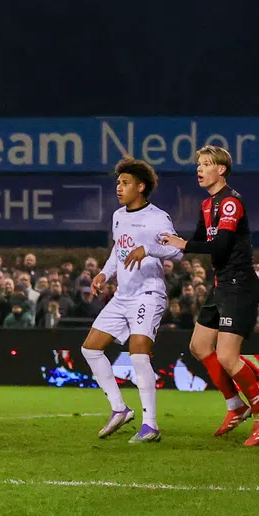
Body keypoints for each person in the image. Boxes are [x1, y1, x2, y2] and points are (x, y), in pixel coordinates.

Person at [158, 146, 259, 446]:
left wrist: (182, 244)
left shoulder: (230, 204)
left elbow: (220, 246)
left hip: (239, 286)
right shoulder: (207, 205)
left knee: (226, 355)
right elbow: (198, 241)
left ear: (221, 170)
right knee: (199, 346)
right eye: (198, 164)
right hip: (221, 285)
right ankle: (235, 405)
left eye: (206, 164)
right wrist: (165, 242)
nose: (199, 169)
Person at [83, 158, 182, 443]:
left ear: (140, 187)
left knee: (138, 352)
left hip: (148, 294)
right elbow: (118, 251)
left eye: (125, 183)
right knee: (90, 348)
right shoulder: (118, 216)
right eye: (118, 183)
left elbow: (177, 252)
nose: (119, 187)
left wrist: (148, 249)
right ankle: (120, 409)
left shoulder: (157, 218)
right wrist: (103, 274)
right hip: (122, 295)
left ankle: (150, 425)